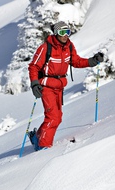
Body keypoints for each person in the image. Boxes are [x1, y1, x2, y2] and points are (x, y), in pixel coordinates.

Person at [28, 21, 104, 151]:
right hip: (46, 86)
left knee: (57, 117)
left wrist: (92, 61)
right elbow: (34, 66)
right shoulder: (46, 48)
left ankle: (37, 138)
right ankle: (43, 147)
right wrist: (35, 84)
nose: (65, 36)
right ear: (56, 33)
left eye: (67, 32)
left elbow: (76, 61)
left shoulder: (69, 47)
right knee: (53, 117)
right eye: (62, 32)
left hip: (59, 86)